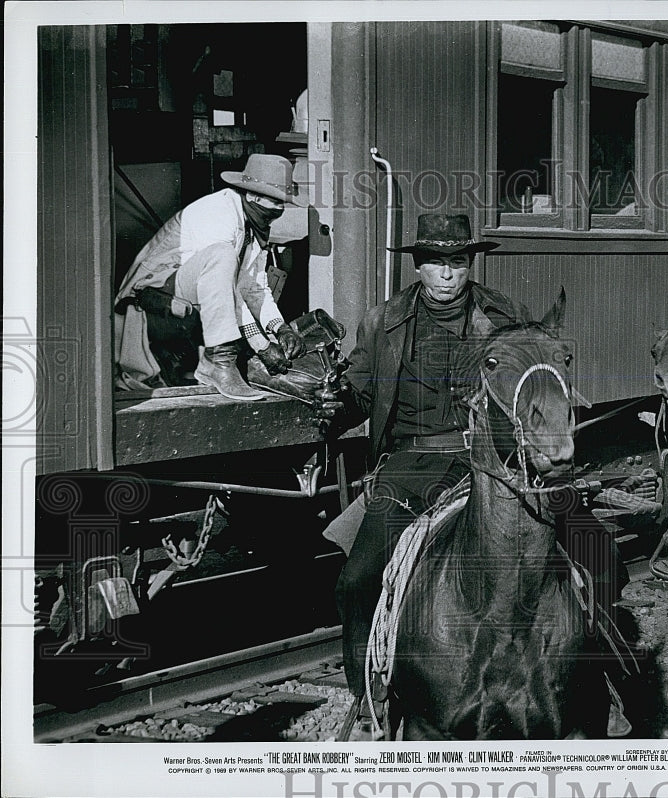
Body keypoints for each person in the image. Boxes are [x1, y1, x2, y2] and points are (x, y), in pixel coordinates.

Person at [313, 213, 531, 706]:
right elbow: (362, 397)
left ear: (470, 264)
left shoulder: (504, 316)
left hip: (490, 462)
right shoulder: (384, 322)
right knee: (358, 579)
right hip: (410, 467)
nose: (448, 275)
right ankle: (369, 698)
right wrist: (338, 405)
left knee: (591, 552)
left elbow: (528, 388)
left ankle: (605, 678)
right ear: (419, 267)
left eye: (457, 262)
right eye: (437, 264)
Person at [114, 153, 305, 400]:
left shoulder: (253, 224)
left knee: (227, 264)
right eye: (275, 202)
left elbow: (254, 287)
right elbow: (229, 290)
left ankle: (214, 361)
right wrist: (262, 345)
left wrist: (281, 329)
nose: (280, 209)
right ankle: (219, 362)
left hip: (186, 304)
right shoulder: (218, 212)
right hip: (151, 303)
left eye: (283, 203)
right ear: (252, 195)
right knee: (222, 255)